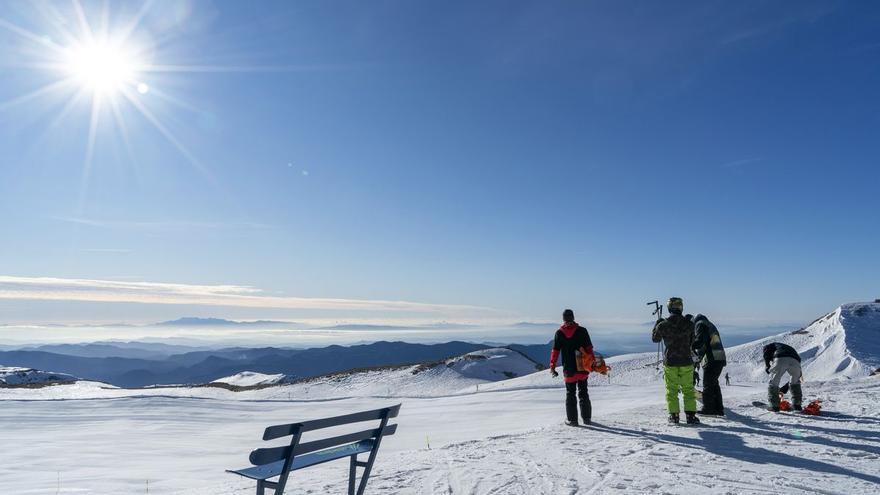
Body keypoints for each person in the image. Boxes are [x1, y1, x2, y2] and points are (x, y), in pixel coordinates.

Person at [652, 297, 699, 424]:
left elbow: (655, 339)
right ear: (681, 307)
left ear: (669, 308)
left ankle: (674, 416)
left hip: (671, 361)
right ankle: (690, 416)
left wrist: (657, 324)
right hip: (686, 361)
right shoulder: (689, 324)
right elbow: (693, 341)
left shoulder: (664, 324)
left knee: (671, 389)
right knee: (688, 389)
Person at [550, 309, 595, 426]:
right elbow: (589, 349)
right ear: (573, 317)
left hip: (569, 368)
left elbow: (555, 351)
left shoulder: (559, 333)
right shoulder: (582, 331)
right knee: (583, 392)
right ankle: (587, 419)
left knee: (570, 393)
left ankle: (573, 420)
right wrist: (593, 363)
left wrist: (552, 366)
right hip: (582, 367)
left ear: (563, 319)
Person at [690, 314, 727, 416]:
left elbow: (700, 340)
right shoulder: (710, 325)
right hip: (719, 356)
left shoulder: (700, 324)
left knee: (708, 384)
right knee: (714, 384)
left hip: (711, 358)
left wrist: (691, 345)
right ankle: (718, 408)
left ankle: (708, 408)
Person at [763, 342, 803, 412]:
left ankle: (773, 406)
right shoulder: (789, 348)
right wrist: (785, 388)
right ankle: (796, 405)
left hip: (780, 358)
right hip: (795, 361)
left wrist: (767, 365)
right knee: (795, 381)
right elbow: (798, 374)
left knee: (774, 381)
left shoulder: (771, 345)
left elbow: (766, 352)